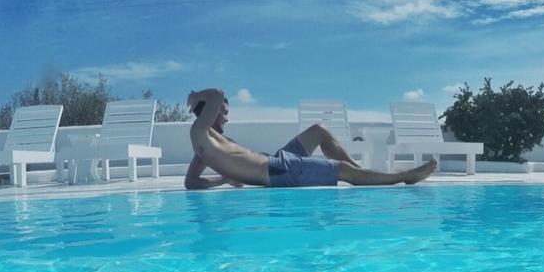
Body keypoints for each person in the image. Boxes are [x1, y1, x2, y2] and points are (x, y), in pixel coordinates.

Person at [184, 88, 436, 189]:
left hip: (277, 161)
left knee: (318, 130)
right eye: (223, 113)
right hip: (277, 171)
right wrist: (196, 95)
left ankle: (363, 174)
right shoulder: (199, 133)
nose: (226, 117)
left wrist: (226, 177)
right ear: (208, 112)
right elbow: (217, 93)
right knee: (342, 170)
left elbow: (191, 183)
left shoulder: (210, 144)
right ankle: (403, 177)